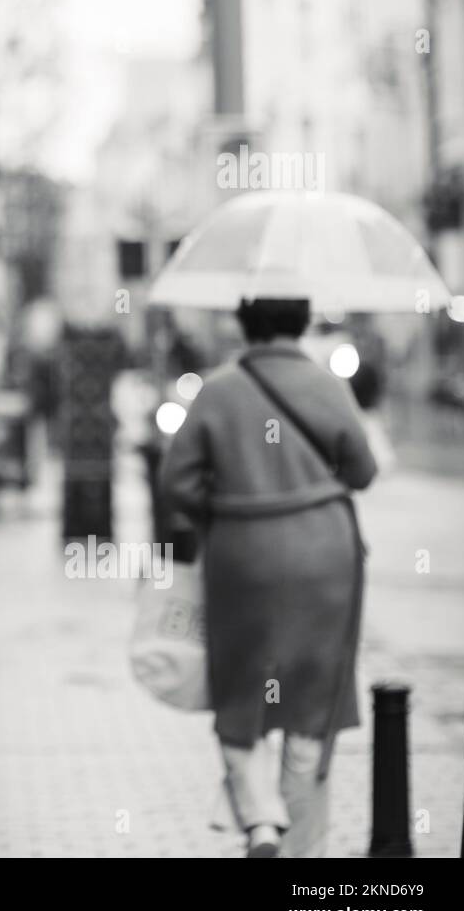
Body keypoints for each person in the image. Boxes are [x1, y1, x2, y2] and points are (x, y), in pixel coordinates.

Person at [158, 297, 377, 858]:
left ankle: (260, 819)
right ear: (302, 322)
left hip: (243, 557)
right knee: (310, 699)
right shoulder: (326, 386)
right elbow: (363, 470)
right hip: (327, 559)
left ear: (243, 324)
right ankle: (305, 855)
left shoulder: (219, 390)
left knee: (241, 692)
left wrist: (225, 507)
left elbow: (176, 483)